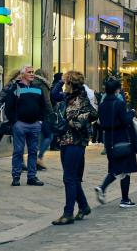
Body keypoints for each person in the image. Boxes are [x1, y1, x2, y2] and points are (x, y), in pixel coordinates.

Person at [52, 71, 98, 225]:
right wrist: (59, 82)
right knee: (74, 178)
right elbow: (53, 95)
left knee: (69, 178)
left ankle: (68, 213)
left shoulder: (81, 98)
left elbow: (93, 114)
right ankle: (84, 207)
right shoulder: (67, 97)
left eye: (66, 82)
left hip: (76, 142)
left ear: (71, 83)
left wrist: (73, 122)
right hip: (65, 141)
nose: (64, 85)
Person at [94, 78, 137, 208]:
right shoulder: (119, 104)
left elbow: (101, 123)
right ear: (117, 90)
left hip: (109, 139)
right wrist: (132, 113)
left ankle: (103, 188)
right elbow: (125, 121)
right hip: (121, 138)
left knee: (115, 167)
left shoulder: (101, 106)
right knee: (125, 169)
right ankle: (124, 199)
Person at [4, 66, 46, 187]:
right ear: (22, 75)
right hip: (20, 125)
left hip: (35, 125)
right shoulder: (15, 89)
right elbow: (8, 107)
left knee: (33, 151)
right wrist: (15, 122)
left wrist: (41, 121)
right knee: (18, 151)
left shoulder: (38, 89)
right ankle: (16, 177)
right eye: (29, 72)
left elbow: (43, 106)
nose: (32, 74)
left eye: (33, 72)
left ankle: (32, 177)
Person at [0, 70, 21, 153]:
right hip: (5, 118)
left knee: (18, 138)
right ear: (15, 77)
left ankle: (20, 161)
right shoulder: (10, 86)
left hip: (13, 118)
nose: (20, 78)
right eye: (19, 76)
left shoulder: (22, 87)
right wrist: (6, 111)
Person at [33, 69, 55, 171]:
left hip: (33, 115)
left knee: (39, 138)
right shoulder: (43, 84)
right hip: (44, 115)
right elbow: (47, 101)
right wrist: (52, 114)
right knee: (49, 136)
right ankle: (39, 158)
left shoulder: (31, 83)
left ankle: (35, 161)